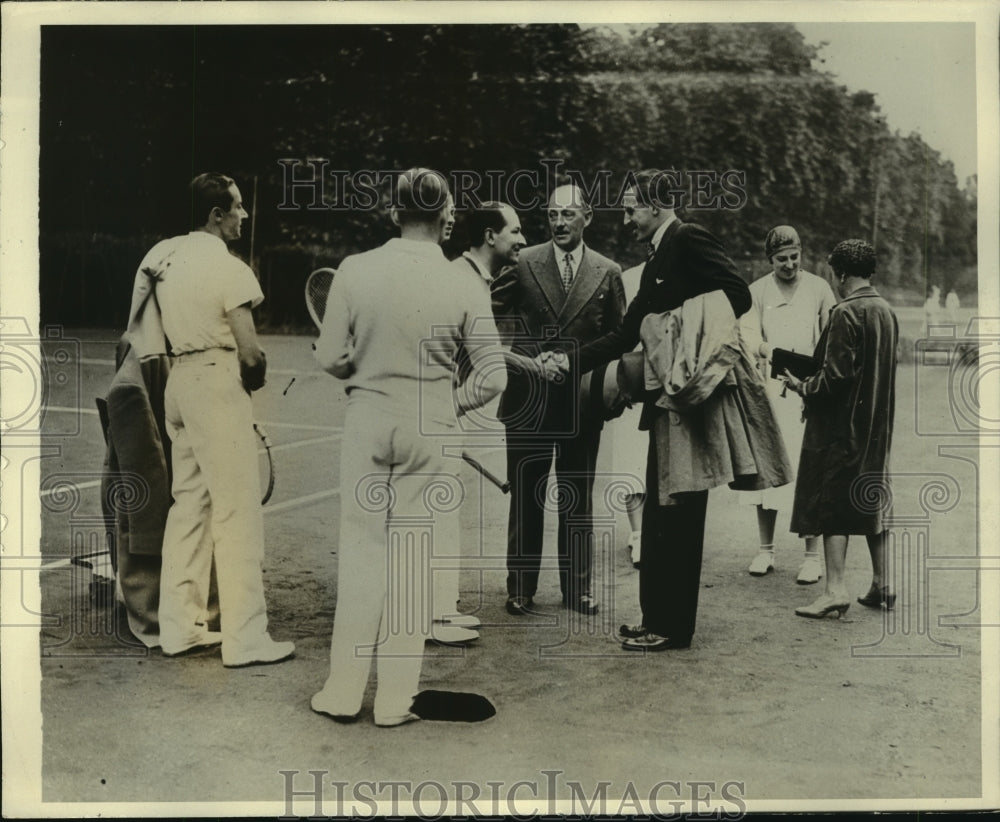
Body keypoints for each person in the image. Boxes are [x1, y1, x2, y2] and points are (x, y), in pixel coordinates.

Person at [311, 168, 506, 727]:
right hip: (433, 426)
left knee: (363, 553)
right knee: (412, 564)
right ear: (445, 216)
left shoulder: (355, 269)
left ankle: (344, 693)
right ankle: (395, 703)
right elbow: (494, 378)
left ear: (394, 213)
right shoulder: (461, 283)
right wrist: (450, 404)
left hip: (367, 417)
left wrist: (350, 365)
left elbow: (328, 356)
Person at [574, 168, 756, 651]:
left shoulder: (689, 238)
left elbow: (738, 294)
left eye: (632, 207)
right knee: (659, 510)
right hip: (662, 402)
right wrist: (566, 362)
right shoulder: (655, 253)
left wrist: (676, 335)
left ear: (655, 205)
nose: (627, 217)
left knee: (678, 513)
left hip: (687, 400)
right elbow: (623, 335)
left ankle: (672, 627)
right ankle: (656, 616)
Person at [147, 171, 294, 667]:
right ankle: (246, 639)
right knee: (237, 513)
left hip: (179, 385)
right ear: (216, 215)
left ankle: (180, 629)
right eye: (237, 207)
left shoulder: (164, 256)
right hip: (215, 383)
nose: (243, 216)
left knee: (188, 506)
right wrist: (248, 386)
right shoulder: (230, 269)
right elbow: (251, 356)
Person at [492, 184, 626, 617]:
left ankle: (578, 589)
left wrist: (609, 392)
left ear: (588, 216)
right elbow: (485, 313)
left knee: (577, 494)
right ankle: (520, 587)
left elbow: (618, 339)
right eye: (552, 215)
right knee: (526, 494)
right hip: (528, 398)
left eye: (568, 214)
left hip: (580, 401)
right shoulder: (525, 261)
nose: (559, 223)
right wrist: (520, 360)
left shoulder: (608, 271)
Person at [783, 239, 899, 618]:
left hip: (842, 428)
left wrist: (801, 385)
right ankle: (882, 584)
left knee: (833, 502)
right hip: (876, 427)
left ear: (842, 273)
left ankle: (835, 590)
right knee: (871, 498)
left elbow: (834, 379)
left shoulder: (845, 313)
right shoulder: (885, 310)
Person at [739, 226, 837, 584]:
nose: (790, 264)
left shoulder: (818, 288)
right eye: (782, 259)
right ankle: (766, 549)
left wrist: (817, 371)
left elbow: (832, 330)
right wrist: (769, 351)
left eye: (794, 257)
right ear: (770, 260)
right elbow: (746, 333)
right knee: (768, 471)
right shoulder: (757, 291)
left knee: (806, 470)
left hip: (807, 392)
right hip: (770, 390)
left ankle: (811, 557)